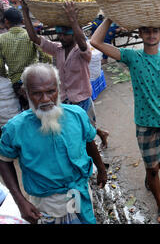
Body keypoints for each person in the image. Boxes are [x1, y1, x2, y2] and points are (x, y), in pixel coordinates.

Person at [90, 13, 160, 225]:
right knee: (152, 168)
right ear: (140, 33)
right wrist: (109, 17)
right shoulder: (132, 57)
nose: (151, 34)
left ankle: (150, 171)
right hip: (145, 124)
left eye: (155, 30)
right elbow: (95, 42)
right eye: (146, 30)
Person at [0, 63, 107, 224]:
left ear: (58, 88)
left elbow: (89, 143)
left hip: (80, 192)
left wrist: (101, 169)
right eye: (37, 93)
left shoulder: (77, 115)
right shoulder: (15, 128)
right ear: (25, 93)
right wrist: (20, 200)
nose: (45, 99)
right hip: (45, 203)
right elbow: (4, 160)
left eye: (51, 91)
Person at [22, 0, 109, 149]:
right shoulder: (57, 49)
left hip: (81, 98)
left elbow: (82, 41)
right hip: (64, 99)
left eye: (65, 34)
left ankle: (96, 148)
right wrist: (25, 12)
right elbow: (34, 38)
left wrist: (73, 20)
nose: (61, 37)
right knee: (72, 130)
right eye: (59, 34)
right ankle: (98, 136)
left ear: (74, 35)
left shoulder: (83, 51)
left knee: (86, 131)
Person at [0, 7, 50, 110]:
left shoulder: (1, 39)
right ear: (22, 21)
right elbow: (46, 56)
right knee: (41, 106)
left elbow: (0, 65)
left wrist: (6, 76)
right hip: (35, 78)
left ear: (6, 21)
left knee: (26, 110)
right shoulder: (30, 35)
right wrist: (41, 68)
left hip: (17, 82)